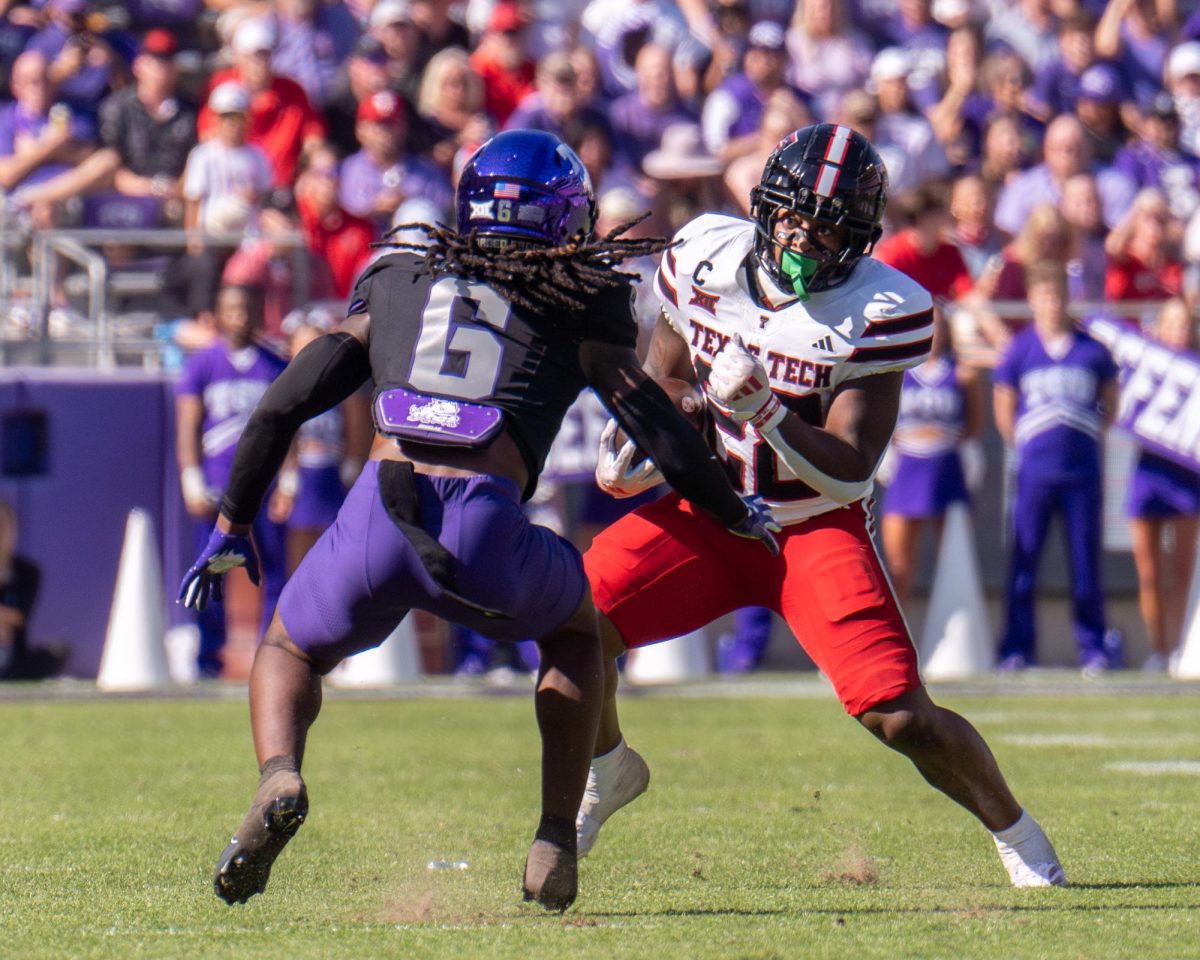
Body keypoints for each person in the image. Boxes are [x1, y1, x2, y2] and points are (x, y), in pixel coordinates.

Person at [178, 130, 778, 912]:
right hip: (486, 526)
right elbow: (652, 420)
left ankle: (280, 773)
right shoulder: (580, 295)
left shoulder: (399, 271)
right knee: (571, 633)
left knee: (289, 648)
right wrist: (732, 510)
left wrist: (232, 524)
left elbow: (286, 400)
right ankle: (554, 839)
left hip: (376, 512)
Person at [580, 123, 1067, 890]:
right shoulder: (703, 254)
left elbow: (850, 473)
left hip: (809, 528)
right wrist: (662, 420)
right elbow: (662, 377)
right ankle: (607, 766)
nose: (806, 234)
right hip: (709, 513)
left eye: (830, 223)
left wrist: (766, 411)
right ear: (765, 205)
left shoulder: (881, 307)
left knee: (899, 715)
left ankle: (1020, 834)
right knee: (573, 617)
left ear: (861, 236)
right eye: (795, 213)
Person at [992, 261, 1119, 675]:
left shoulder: (1092, 350)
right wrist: (1026, 444)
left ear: (1069, 300)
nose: (1052, 305)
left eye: (1059, 297)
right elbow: (1004, 407)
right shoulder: (1021, 349)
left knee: (1085, 565)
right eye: (1045, 297)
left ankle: (1092, 645)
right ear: (1032, 301)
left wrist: (1088, 433)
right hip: (1034, 475)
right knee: (1024, 562)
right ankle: (1017, 647)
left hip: (1082, 474)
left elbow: (1110, 404)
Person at [175, 283, 290, 678]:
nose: (239, 316)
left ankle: (271, 654)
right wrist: (191, 477)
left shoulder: (274, 364)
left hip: (266, 484)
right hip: (218, 485)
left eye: (246, 308)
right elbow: (188, 425)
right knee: (212, 571)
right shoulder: (202, 364)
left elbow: (289, 425)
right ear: (218, 314)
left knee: (275, 569)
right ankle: (208, 657)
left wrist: (289, 479)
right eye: (232, 309)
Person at [878, 310, 984, 605]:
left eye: (940, 326)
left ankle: (953, 632)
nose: (934, 332)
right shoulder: (896, 372)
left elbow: (974, 426)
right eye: (928, 325)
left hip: (946, 469)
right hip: (906, 470)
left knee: (953, 561)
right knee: (897, 567)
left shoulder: (963, 374)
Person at [1126, 298, 1200, 671]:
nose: (1180, 330)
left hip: (1187, 476)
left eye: (1185, 323)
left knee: (1182, 570)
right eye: (1172, 323)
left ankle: (1180, 646)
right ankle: (1158, 648)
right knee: (1149, 572)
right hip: (1149, 471)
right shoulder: (1145, 365)